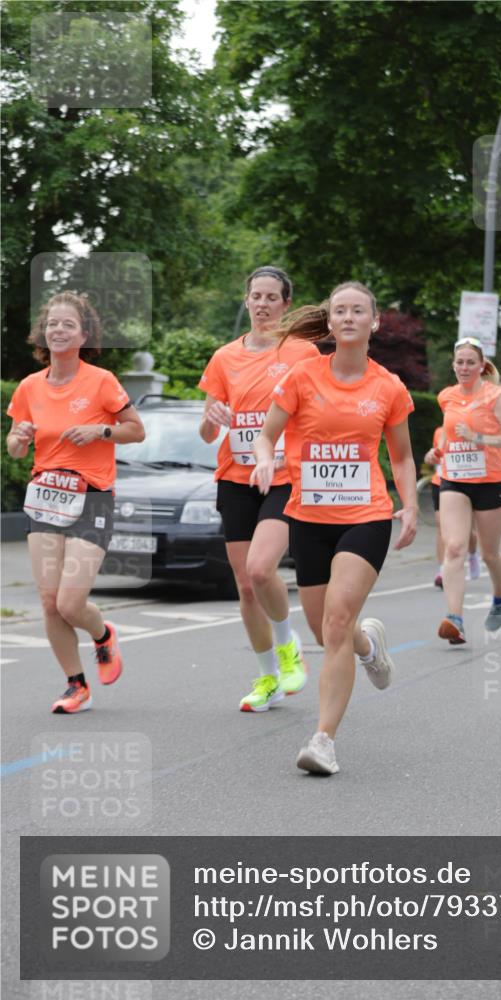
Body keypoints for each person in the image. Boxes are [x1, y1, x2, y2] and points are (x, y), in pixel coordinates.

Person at [251, 281, 417, 775]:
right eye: (339, 310)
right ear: (329, 323)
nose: (348, 317)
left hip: (365, 515)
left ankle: (323, 740)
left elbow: (402, 456)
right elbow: (266, 435)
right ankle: (370, 647)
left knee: (338, 621)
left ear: (374, 322)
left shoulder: (388, 386)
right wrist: (263, 461)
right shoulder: (303, 377)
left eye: (358, 310)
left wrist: (409, 506)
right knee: (329, 633)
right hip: (308, 516)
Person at [5, 291, 145, 713]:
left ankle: (102, 635)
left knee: (70, 602)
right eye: (52, 324)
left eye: (68, 324)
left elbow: (136, 431)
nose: (59, 330)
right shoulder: (30, 387)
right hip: (45, 500)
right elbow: (14, 448)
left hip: (92, 497)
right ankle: (76, 685)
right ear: (42, 335)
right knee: (49, 602)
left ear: (84, 334)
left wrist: (100, 432)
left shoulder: (101, 381)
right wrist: (19, 438)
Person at [198, 266, 319, 712]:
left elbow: (320, 414)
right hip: (236, 476)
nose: (263, 304)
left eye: (272, 297)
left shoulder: (305, 354)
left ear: (286, 304)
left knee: (262, 568)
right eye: (256, 296)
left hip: (286, 476)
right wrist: (212, 420)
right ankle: (269, 676)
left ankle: (289, 646)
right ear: (246, 300)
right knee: (246, 584)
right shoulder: (224, 357)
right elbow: (207, 433)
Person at [436, 337, 501, 644]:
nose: (464, 367)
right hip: (455, 479)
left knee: (489, 553)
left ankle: (500, 597)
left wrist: (478, 437)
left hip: (490, 481)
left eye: (471, 362)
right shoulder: (446, 397)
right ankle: (455, 619)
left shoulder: (495, 395)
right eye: (459, 362)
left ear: (482, 366)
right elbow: (448, 435)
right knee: (455, 547)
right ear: (453, 365)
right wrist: (439, 451)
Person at [424, 425, 480, 588]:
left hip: (464, 484)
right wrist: (431, 455)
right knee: (442, 527)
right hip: (441, 482)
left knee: (468, 531)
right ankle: (442, 571)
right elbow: (436, 453)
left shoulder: (471, 430)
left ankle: (472, 555)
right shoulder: (439, 431)